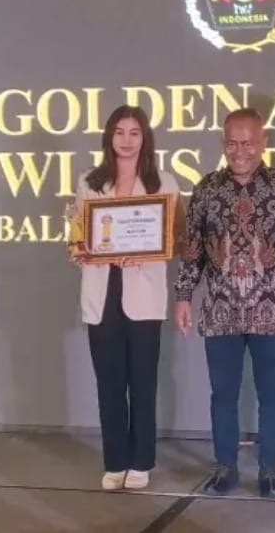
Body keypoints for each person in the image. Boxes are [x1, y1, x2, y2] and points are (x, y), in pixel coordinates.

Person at [174, 108, 275, 498]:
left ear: (263, 143)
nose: (240, 151)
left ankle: (269, 470)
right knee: (222, 395)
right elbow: (192, 251)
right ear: (223, 144)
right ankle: (225, 467)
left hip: (272, 309)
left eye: (248, 143)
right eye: (232, 143)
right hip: (220, 310)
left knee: (271, 395)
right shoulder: (206, 189)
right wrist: (184, 296)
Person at [68, 105, 183, 492]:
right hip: (102, 293)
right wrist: (83, 249)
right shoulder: (89, 182)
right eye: (120, 132)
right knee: (110, 383)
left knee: (143, 382)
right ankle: (115, 460)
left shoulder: (163, 183)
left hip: (144, 293)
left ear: (145, 138)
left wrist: (146, 251)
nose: (127, 140)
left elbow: (175, 238)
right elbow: (79, 236)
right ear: (109, 137)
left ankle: (141, 461)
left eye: (135, 132)